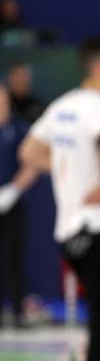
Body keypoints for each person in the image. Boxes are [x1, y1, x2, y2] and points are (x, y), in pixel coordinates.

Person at [18, 36, 100, 361]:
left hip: (69, 230)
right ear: (99, 65)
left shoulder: (62, 106)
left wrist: (68, 167)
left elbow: (28, 151)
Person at [0, 83, 39, 328]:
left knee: (13, 258)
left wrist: (13, 190)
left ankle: (17, 312)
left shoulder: (19, 128)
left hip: (12, 202)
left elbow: (31, 164)